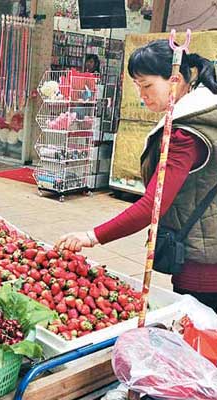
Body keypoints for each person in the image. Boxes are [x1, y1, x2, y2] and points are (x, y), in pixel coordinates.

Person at [55, 39, 217, 312]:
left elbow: (151, 207)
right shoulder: (204, 112)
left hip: (204, 270)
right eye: (137, 87)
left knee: (201, 343)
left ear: (175, 79)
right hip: (206, 253)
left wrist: (91, 236)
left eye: (147, 86)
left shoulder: (186, 135)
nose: (142, 96)